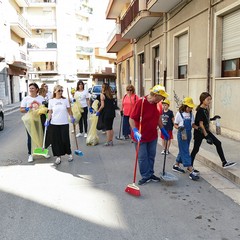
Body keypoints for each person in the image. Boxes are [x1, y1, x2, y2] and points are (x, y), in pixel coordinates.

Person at [129, 84, 170, 185]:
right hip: (140, 136)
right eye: (161, 98)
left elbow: (158, 118)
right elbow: (131, 118)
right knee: (142, 157)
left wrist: (163, 129)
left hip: (152, 135)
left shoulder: (158, 104)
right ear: (155, 95)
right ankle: (145, 175)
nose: (161, 100)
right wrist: (135, 130)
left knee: (151, 155)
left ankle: (150, 173)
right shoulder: (141, 102)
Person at [191, 92, 236, 169]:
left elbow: (205, 119)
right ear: (203, 100)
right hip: (199, 132)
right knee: (196, 149)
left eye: (210, 100)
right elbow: (201, 124)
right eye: (208, 100)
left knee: (218, 143)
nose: (210, 101)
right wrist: (206, 136)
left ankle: (224, 162)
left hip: (205, 130)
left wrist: (213, 118)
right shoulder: (200, 111)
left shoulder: (206, 109)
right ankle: (190, 166)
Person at [45, 85, 75, 165]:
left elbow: (69, 110)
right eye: (59, 91)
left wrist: (72, 117)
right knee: (56, 141)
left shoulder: (65, 100)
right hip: (54, 123)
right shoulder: (51, 101)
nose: (60, 92)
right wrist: (48, 120)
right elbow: (50, 112)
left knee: (65, 139)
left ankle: (69, 154)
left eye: (62, 91)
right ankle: (58, 157)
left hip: (64, 123)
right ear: (55, 91)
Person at [172, 97, 199, 181]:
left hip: (189, 134)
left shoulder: (191, 114)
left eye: (191, 107)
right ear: (184, 106)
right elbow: (175, 124)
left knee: (184, 149)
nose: (190, 109)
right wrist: (178, 127)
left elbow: (192, 125)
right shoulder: (179, 114)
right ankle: (190, 169)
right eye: (189, 107)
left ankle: (176, 165)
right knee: (185, 151)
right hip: (182, 134)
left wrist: (199, 128)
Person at [20, 83, 46, 163]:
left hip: (40, 119)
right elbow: (21, 110)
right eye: (30, 88)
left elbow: (46, 107)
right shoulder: (26, 99)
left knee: (41, 135)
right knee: (30, 137)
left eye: (32, 88)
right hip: (30, 120)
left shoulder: (41, 98)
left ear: (37, 89)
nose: (31, 90)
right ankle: (30, 154)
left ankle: (42, 151)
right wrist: (27, 109)